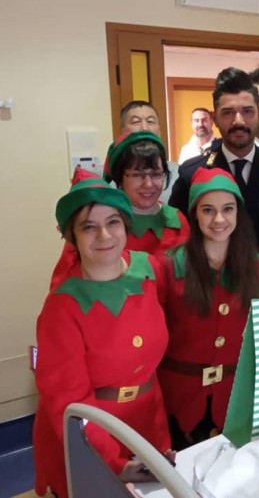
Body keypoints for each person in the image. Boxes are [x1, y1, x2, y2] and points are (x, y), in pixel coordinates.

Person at [33, 168, 173, 498]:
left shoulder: (148, 271)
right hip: (90, 438)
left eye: (113, 222)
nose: (104, 235)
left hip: (149, 424)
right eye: (89, 227)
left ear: (125, 225)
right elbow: (69, 402)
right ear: (73, 237)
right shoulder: (62, 308)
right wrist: (114, 462)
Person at [158, 167, 259, 449]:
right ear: (195, 214)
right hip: (178, 401)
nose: (219, 219)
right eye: (208, 210)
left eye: (228, 209)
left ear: (238, 213)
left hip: (236, 400)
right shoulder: (168, 267)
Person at [49, 131, 189, 289]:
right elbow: (63, 285)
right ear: (119, 178)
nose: (148, 184)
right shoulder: (100, 223)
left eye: (156, 174)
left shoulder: (177, 220)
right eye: (137, 175)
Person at [169, 67, 259, 250]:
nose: (238, 121)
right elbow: (179, 238)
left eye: (247, 111)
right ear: (215, 119)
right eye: (228, 112)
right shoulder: (192, 173)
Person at [119, 100, 178, 202]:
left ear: (159, 130)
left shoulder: (178, 173)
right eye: (136, 122)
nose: (144, 128)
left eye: (150, 121)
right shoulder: (107, 178)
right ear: (122, 130)